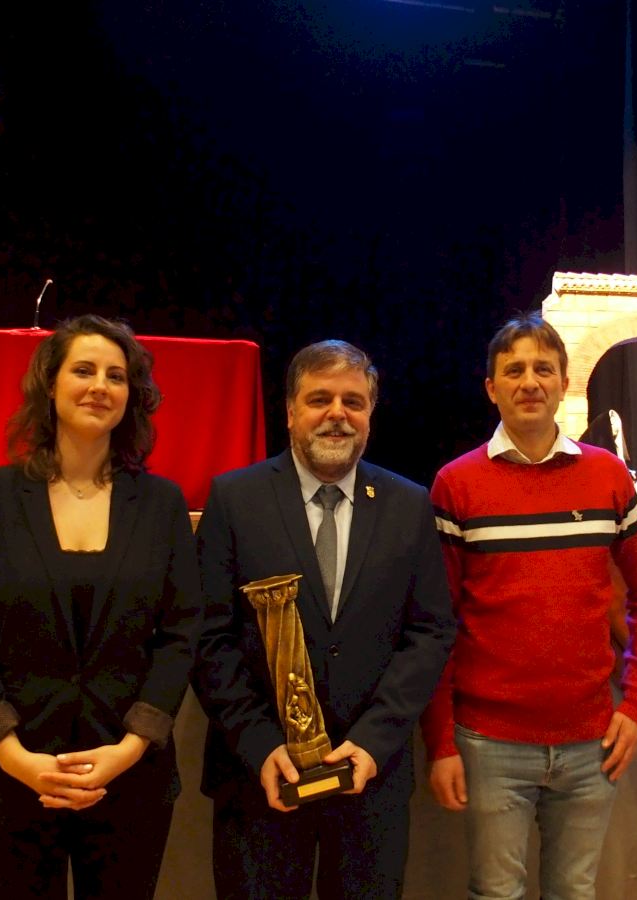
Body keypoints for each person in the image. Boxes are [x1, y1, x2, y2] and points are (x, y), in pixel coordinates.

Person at [0, 314, 200, 899]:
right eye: (83, 370)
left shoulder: (162, 504)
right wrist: (14, 756)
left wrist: (131, 748)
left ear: (131, 397)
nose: (100, 386)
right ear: (50, 384)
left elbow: (181, 633)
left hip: (129, 779)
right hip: (6, 779)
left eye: (116, 376)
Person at [192, 339, 455, 899]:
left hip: (370, 781)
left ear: (370, 414)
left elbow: (429, 632)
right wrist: (259, 744)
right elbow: (208, 637)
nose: (338, 413)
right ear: (290, 411)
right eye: (319, 399)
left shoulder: (409, 505)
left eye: (353, 402)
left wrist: (374, 741)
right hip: (259, 777)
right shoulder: (234, 499)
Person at [421, 313, 637, 899]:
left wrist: (635, 704)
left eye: (543, 369)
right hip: (489, 743)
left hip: (591, 742)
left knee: (574, 893)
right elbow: (435, 624)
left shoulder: (608, 477)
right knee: (495, 894)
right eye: (514, 370)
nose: (529, 381)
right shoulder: (455, 485)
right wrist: (441, 741)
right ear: (492, 388)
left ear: (563, 383)